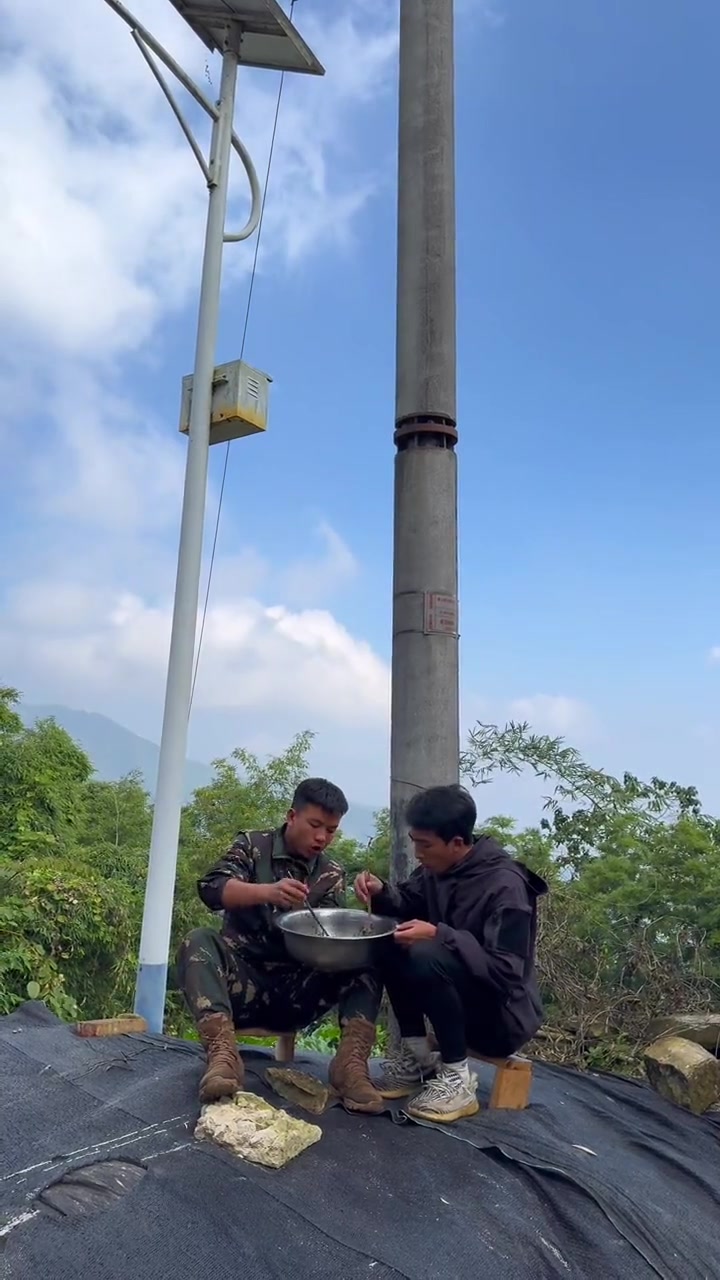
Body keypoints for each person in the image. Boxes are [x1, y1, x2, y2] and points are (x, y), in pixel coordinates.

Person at [178, 777, 384, 1113]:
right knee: (198, 940)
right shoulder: (252, 844)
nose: (322, 837)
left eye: (331, 830)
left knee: (369, 952)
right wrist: (267, 892)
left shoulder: (330, 872)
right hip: (241, 987)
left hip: (299, 992)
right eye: (315, 825)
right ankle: (223, 1057)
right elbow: (211, 889)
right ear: (292, 816)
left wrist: (372, 903)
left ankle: (350, 1066)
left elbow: (335, 939)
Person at [355, 784, 547, 1125]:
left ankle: (457, 1079)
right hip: (457, 1007)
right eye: (415, 842)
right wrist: (381, 891)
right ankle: (415, 1059)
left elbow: (506, 972)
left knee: (426, 951)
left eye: (425, 845)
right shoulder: (436, 870)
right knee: (388, 940)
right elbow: (409, 902)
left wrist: (440, 934)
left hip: (500, 1020)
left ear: (457, 843)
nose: (418, 854)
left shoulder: (506, 887)